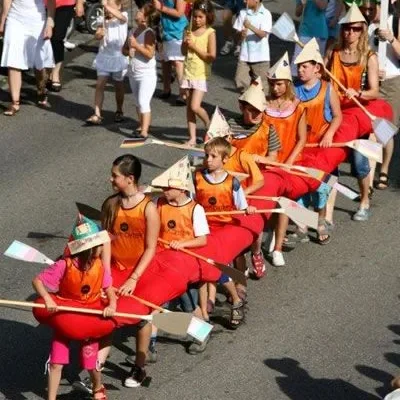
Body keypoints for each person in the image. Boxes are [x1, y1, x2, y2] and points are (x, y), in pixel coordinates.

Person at [32, 215, 117, 400]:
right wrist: (47, 299)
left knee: (90, 360)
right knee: (56, 363)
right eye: (99, 245)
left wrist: (112, 304)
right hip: (67, 314)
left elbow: (108, 288)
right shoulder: (64, 265)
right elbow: (37, 281)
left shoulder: (99, 265)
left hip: (90, 315)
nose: (102, 248)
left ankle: (97, 386)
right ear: (89, 248)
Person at [275, 39, 342, 265]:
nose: (300, 70)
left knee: (320, 190)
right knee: (298, 189)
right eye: (299, 66)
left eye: (305, 66)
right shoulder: (294, 90)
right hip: (301, 148)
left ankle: (320, 220)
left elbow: (338, 115)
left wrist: (330, 134)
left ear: (317, 68)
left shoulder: (328, 89)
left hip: (321, 149)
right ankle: (303, 225)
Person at [101, 154, 160, 388]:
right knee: (106, 315)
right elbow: (106, 242)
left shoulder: (148, 209)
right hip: (116, 269)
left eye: (115, 176)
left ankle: (139, 367)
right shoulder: (110, 204)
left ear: (130, 178)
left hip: (142, 272)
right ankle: (96, 369)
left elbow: (151, 247)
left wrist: (134, 278)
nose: (111, 179)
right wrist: (105, 276)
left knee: (142, 317)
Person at [325, 2, 380, 221]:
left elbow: (374, 92)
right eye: (347, 28)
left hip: (357, 114)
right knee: (330, 160)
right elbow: (323, 76)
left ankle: (365, 199)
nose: (350, 32)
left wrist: (358, 92)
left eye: (356, 28)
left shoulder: (369, 56)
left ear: (362, 31)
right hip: (333, 112)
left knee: (359, 163)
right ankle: (326, 212)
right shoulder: (333, 50)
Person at [151, 156, 211, 353]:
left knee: (188, 305)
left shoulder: (195, 209)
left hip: (185, 265)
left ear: (182, 189)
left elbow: (202, 240)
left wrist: (181, 244)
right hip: (161, 261)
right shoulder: (158, 203)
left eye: (168, 188)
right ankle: (149, 347)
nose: (164, 191)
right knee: (155, 303)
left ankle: (201, 335)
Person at [195, 137, 256, 328]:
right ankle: (206, 307)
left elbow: (242, 205)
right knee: (205, 264)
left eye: (213, 156)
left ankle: (235, 297)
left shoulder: (232, 182)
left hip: (226, 229)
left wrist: (248, 209)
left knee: (217, 263)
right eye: (206, 155)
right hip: (205, 228)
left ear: (225, 159)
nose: (208, 160)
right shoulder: (197, 178)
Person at [361, 0, 400, 190]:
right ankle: (368, 176)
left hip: (392, 83)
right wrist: (373, 69)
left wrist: (391, 38)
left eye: (371, 9)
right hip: (373, 83)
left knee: (386, 130)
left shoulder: (395, 21)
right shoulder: (366, 25)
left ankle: (383, 169)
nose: (368, 12)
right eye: (365, 9)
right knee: (372, 129)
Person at [0, 0, 55, 114]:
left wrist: (49, 24)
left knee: (40, 63)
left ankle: (41, 89)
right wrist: (3, 20)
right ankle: (15, 103)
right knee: (13, 60)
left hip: (38, 21)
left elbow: (51, 2)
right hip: (15, 19)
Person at [86, 0, 128, 125]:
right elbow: (97, 35)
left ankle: (119, 109)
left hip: (118, 56)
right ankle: (97, 114)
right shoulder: (102, 19)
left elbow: (121, 17)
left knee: (118, 85)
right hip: (104, 55)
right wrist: (99, 35)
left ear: (118, 6)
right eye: (106, 6)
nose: (107, 8)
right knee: (100, 84)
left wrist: (105, 5)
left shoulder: (123, 16)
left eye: (110, 5)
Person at [181, 0, 216, 145]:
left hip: (201, 74)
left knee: (195, 106)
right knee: (189, 109)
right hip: (188, 72)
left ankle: (208, 123)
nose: (197, 19)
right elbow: (183, 52)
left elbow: (211, 56)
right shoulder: (188, 30)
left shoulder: (210, 33)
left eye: (201, 17)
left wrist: (194, 46)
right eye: (194, 16)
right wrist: (185, 43)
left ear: (208, 16)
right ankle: (192, 138)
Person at [123, 3, 159, 138]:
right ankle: (141, 124)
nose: (137, 12)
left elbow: (150, 54)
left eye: (140, 11)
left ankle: (144, 132)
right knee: (138, 102)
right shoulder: (132, 31)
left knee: (143, 102)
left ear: (145, 17)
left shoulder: (148, 33)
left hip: (146, 74)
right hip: (133, 72)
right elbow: (123, 49)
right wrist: (128, 51)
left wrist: (136, 46)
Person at [233, 0, 272, 93]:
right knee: (240, 82)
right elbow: (236, 34)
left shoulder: (266, 14)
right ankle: (245, 101)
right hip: (245, 56)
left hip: (260, 57)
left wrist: (250, 26)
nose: (244, 1)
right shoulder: (243, 13)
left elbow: (263, 34)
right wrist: (240, 34)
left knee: (262, 88)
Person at [153, 0, 187, 104]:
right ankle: (166, 89)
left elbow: (179, 12)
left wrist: (161, 8)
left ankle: (183, 93)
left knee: (177, 62)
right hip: (162, 30)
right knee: (165, 60)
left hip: (177, 31)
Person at [47, 0, 84, 92]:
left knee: (57, 38)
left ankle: (55, 73)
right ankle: (45, 70)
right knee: (43, 39)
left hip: (65, 4)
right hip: (40, 5)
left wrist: (80, 3)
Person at [292, 0, 329, 77]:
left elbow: (322, 6)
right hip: (304, 32)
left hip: (319, 33)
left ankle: (315, 83)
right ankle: (295, 82)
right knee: (296, 61)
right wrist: (302, 4)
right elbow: (297, 13)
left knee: (316, 63)